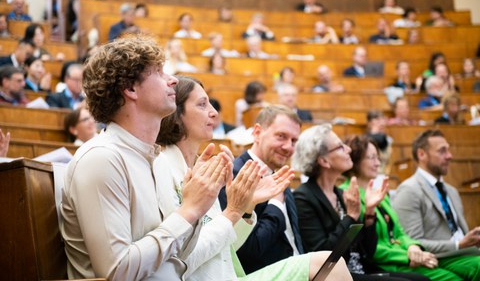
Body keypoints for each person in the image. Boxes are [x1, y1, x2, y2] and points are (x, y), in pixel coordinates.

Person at [60, 35, 231, 280]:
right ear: (130, 89)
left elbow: (178, 256)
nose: (173, 80)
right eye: (160, 73)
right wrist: (189, 211)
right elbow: (116, 271)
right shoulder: (102, 158)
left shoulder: (157, 160)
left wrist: (199, 204)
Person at [157, 77, 352, 281]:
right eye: (202, 104)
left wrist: (245, 209)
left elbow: (228, 249)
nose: (214, 112)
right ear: (176, 112)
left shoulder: (203, 168)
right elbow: (180, 258)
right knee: (329, 263)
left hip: (228, 274)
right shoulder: (163, 168)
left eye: (294, 140)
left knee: (332, 264)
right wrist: (234, 211)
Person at [293, 125, 421, 281]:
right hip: (338, 275)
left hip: (361, 268)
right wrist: (350, 217)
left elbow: (367, 251)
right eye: (340, 147)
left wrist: (369, 213)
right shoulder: (303, 198)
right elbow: (325, 258)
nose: (348, 150)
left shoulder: (340, 194)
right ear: (324, 160)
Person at [341, 135, 467, 280]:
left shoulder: (379, 193)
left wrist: (413, 247)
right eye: (371, 158)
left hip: (405, 259)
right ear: (355, 160)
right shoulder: (348, 196)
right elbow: (369, 247)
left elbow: (399, 232)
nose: (378, 163)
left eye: (378, 157)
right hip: (387, 264)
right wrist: (407, 256)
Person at [219, 105, 308, 275]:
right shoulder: (235, 175)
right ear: (257, 132)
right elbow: (246, 252)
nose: (288, 147)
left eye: (294, 141)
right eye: (281, 136)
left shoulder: (279, 174)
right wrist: (275, 204)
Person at [392, 130, 480, 280]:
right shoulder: (409, 190)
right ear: (422, 154)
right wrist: (459, 244)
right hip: (440, 257)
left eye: (449, 150)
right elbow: (413, 243)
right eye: (442, 151)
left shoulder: (451, 191)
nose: (449, 156)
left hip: (466, 253)